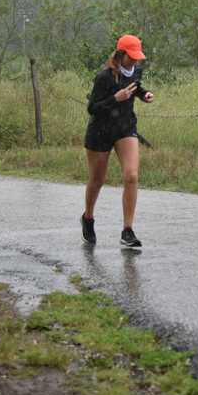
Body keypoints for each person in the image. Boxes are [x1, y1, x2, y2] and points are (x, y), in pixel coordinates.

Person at [81, 34, 154, 248]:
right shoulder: (104, 77)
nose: (134, 61)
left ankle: (127, 230)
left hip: (125, 128)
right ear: (120, 54)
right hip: (100, 131)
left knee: (131, 175)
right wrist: (116, 98)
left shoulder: (136, 71)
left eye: (137, 57)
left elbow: (136, 86)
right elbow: (92, 108)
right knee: (97, 180)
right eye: (131, 57)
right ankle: (88, 218)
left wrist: (144, 94)